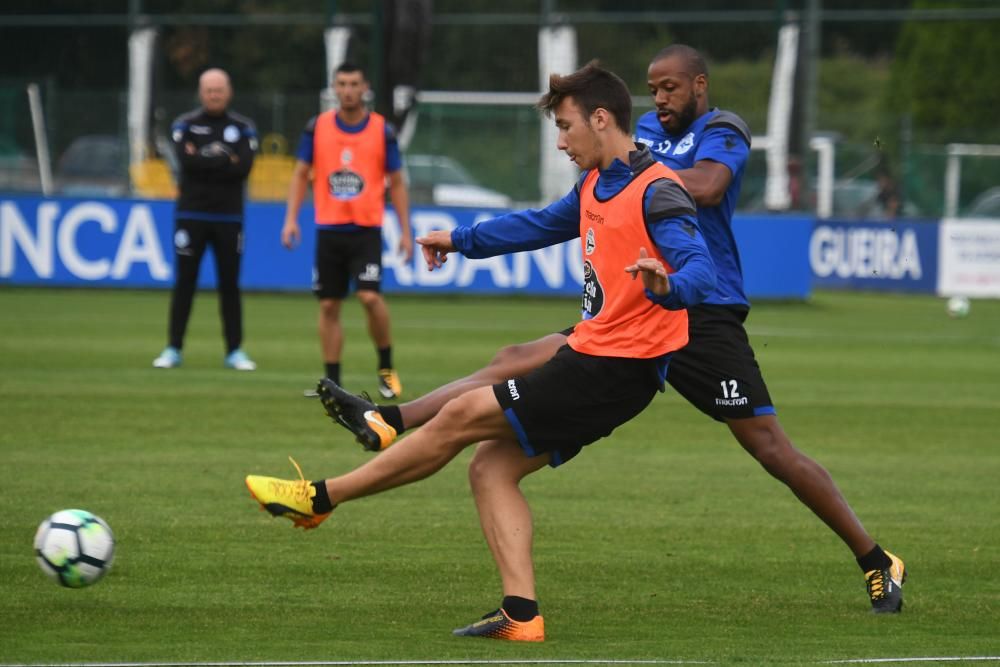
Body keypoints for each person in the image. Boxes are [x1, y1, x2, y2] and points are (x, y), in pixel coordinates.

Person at [317, 44, 908, 615]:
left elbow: (705, 187)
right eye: (652, 89)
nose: (661, 98)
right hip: (631, 311)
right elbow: (557, 216)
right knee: (520, 355)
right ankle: (391, 420)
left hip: (699, 311)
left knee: (771, 450)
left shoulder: (721, 131)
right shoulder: (637, 134)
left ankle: (875, 558)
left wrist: (636, 167)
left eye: (671, 87)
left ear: (700, 85)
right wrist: (465, 239)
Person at [247, 61, 718, 642]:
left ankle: (319, 497)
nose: (562, 140)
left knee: (463, 416)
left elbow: (701, 269)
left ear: (601, 119)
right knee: (491, 468)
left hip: (614, 369)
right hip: (597, 358)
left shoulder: (659, 191)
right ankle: (521, 615)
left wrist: (669, 285)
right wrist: (460, 241)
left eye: (567, 126)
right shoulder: (596, 183)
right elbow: (537, 226)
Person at [281, 62, 413, 399]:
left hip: (366, 229)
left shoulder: (382, 130)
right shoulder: (317, 127)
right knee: (328, 306)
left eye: (354, 83)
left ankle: (386, 368)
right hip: (329, 230)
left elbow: (396, 183)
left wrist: (405, 231)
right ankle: (332, 384)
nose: (348, 90)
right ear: (334, 88)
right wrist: (291, 218)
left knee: (369, 296)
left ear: (364, 87)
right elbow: (300, 173)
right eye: (342, 84)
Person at [153, 68, 258, 371]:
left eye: (219, 89)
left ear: (229, 91)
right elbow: (186, 164)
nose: (214, 95)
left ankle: (235, 351)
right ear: (201, 93)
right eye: (209, 90)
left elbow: (244, 168)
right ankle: (173, 348)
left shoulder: (244, 127)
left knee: (230, 285)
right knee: (185, 282)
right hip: (191, 215)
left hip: (229, 217)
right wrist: (225, 158)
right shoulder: (185, 124)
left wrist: (203, 159)